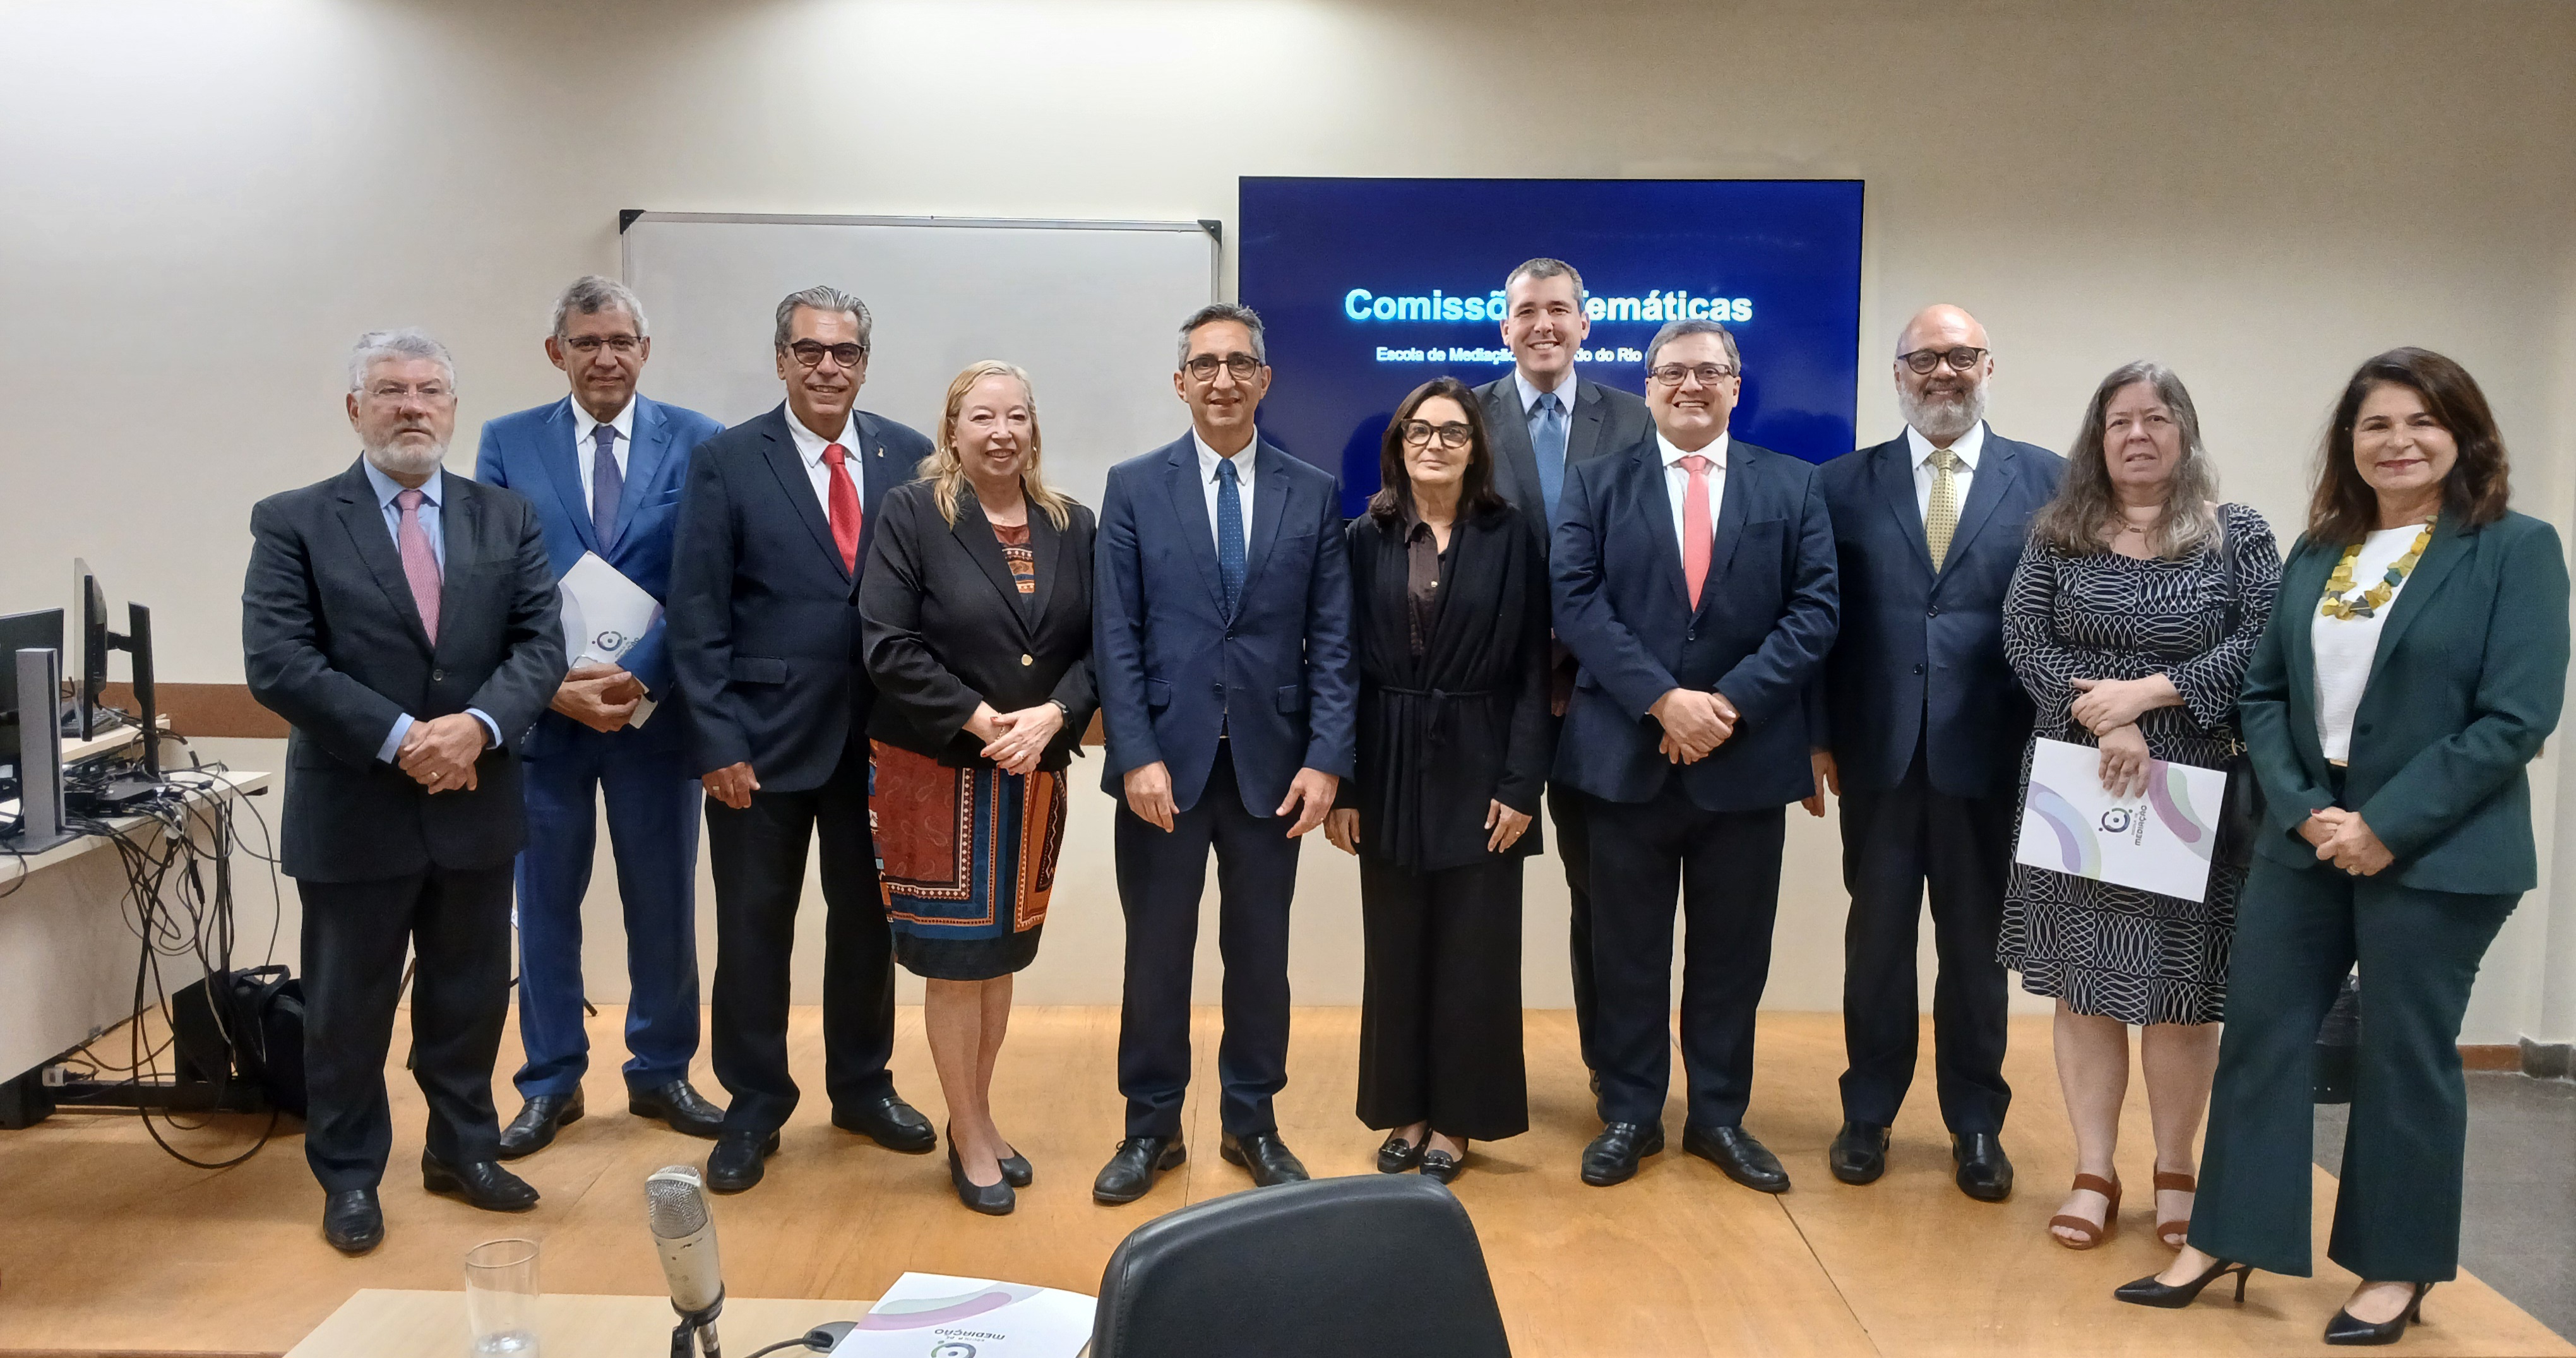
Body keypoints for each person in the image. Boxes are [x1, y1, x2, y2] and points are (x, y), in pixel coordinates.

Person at [2126, 349, 2567, 1346]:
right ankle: (2226, 1234)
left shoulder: (2514, 550)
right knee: (2262, 1037)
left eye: (2422, 422)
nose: (2398, 441)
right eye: (2375, 425)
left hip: (2439, 847)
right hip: (2306, 834)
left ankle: (2395, 1268)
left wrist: (2386, 824)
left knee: (2403, 1056)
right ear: (2349, 443)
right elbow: (2266, 695)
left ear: (2465, 435)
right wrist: (2304, 810)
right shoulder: (2321, 551)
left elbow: (2516, 716)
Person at [241, 329, 564, 1253]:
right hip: (355, 808)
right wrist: (402, 739)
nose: (411, 405)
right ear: (356, 409)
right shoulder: (294, 519)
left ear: (453, 409)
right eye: (390, 390)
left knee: (468, 1000)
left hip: (476, 798)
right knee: (348, 1012)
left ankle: (463, 1151)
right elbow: (277, 661)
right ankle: (349, 1176)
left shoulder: (506, 517)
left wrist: (476, 727)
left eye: (429, 390)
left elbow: (540, 646)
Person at [1997, 362, 2279, 1249]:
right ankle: (2091, 1169)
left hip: (2192, 788)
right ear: (2098, 437)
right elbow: (2022, 638)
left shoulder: (2238, 534)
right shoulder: (2059, 532)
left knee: (2182, 992)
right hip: (2080, 783)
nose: (2138, 434)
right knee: (2085, 987)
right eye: (2120, 420)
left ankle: (2175, 1166)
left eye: (2157, 418)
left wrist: (2151, 694)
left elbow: (2263, 640)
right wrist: (2104, 714)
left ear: (2185, 433)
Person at [1553, 318, 1837, 1191]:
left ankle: (1719, 1114)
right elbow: (1576, 602)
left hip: (1744, 764)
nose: (1690, 385)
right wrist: (1663, 700)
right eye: (1671, 372)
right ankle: (1632, 1112)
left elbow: (1815, 609)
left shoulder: (1794, 486)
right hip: (1623, 760)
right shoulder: (1595, 483)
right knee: (1625, 948)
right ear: (1647, 387)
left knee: (1731, 953)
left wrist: (1729, 705)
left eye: (1709, 371)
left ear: (1735, 385)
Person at [665, 286, 936, 1194]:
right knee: (753, 934)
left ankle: (862, 1085)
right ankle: (753, 1105)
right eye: (811, 350)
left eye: (847, 352)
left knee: (868, 928)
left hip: (883, 745)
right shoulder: (728, 459)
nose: (830, 367)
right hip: (760, 746)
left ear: (866, 360)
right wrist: (716, 740)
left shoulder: (911, 454)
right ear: (781, 357)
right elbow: (696, 615)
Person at [1090, 302, 1357, 1203]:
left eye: (1240, 363)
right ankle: (1151, 1127)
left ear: (1265, 380)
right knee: (1156, 955)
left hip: (1272, 772)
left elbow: (1335, 636)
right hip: (1162, 768)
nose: (1223, 380)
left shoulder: (1312, 490)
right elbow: (1114, 635)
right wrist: (1135, 754)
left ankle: (1253, 1121)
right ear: (1180, 381)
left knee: (1260, 957)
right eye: (1205, 364)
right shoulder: (1132, 486)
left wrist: (1327, 758)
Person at [1812, 304, 2064, 1202]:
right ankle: (1868, 1108)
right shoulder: (1840, 484)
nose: (1943, 373)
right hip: (1875, 755)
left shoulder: (2051, 482)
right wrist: (1814, 734)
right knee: (1875, 944)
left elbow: (2070, 621)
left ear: (1990, 364)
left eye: (1961, 356)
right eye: (1925, 358)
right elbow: (1816, 624)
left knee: (1975, 948)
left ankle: (1976, 1122)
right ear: (1897, 372)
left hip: (1994, 758)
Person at [474, 276, 728, 1157]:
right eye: (587, 342)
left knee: (662, 903)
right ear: (558, 353)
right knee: (543, 906)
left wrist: (638, 678)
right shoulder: (508, 442)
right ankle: (550, 1081)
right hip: (547, 726)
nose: (605, 356)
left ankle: (662, 1071)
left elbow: (707, 578)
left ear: (645, 350)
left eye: (621, 340)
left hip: (655, 723)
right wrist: (556, 682)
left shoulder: (698, 441)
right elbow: (490, 580)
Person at [859, 360, 1097, 1215]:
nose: (1003, 431)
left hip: (1032, 772)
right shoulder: (912, 513)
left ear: (1035, 429)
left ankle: (980, 1114)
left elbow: (1101, 648)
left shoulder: (1073, 522)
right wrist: (984, 718)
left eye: (1019, 416)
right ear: (952, 429)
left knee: (999, 958)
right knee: (955, 964)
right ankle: (967, 1130)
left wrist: (1054, 717)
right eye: (983, 416)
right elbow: (886, 642)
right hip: (935, 771)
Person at [1325, 376, 1554, 1184]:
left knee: (1475, 953)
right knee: (1396, 950)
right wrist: (1345, 785)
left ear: (1475, 448)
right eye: (1421, 431)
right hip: (1385, 764)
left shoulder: (1511, 535)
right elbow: (1340, 667)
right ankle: (1406, 1112)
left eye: (1454, 433)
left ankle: (1458, 1123)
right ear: (1399, 443)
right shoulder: (1365, 536)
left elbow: (1533, 670)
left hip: (1485, 762)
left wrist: (1523, 784)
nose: (1435, 444)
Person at [1471, 258, 1653, 1093]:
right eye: (1526, 311)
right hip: (1490, 697)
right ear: (1503, 327)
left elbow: (1655, 553)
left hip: (1601, 695)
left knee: (1607, 895)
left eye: (1559, 309)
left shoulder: (1635, 418)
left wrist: (1581, 654)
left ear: (1586, 322)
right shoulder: (1463, 419)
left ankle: (1616, 1082)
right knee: (1473, 895)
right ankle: (1468, 1079)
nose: (1543, 323)